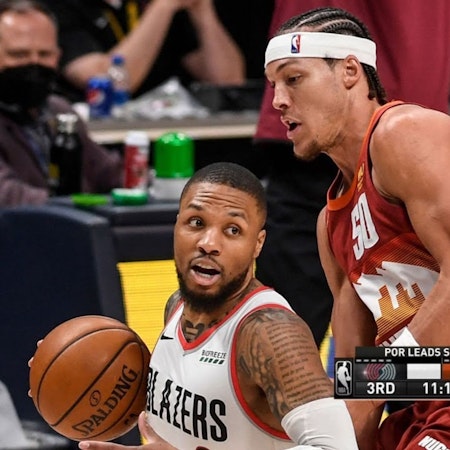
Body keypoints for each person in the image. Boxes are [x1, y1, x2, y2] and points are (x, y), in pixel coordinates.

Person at [263, 6, 450, 450]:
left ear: (350, 71)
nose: (278, 101)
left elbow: (376, 380)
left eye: (293, 78)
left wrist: (389, 372)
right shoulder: (331, 224)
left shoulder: (403, 133)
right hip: (428, 402)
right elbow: (359, 394)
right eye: (273, 86)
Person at [71, 162, 358, 449]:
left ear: (258, 244)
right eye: (196, 222)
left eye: (232, 230)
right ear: (176, 225)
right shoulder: (176, 307)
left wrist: (369, 387)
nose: (208, 243)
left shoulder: (270, 332)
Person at [0, 0, 122, 207]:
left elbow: (109, 172)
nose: (34, 63)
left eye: (44, 54)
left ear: (58, 56)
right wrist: (83, 205)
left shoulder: (59, 111)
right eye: (19, 54)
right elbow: (9, 197)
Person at [40, 0, 246, 102]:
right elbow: (108, 82)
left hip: (167, 135)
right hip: (100, 143)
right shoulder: (57, 7)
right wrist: (162, 7)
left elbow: (228, 80)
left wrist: (202, 11)